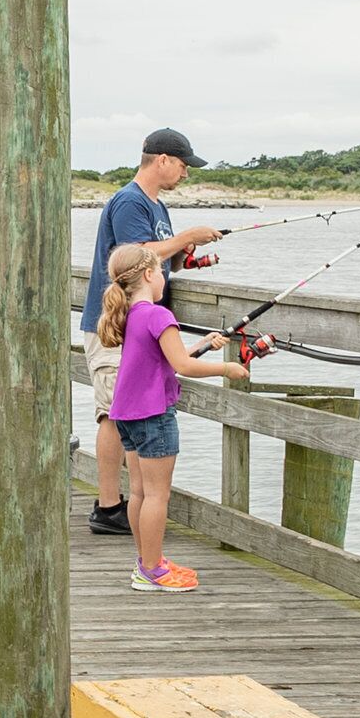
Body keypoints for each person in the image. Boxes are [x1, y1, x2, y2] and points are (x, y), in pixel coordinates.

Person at [84, 130, 226, 538]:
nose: (185, 173)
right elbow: (134, 258)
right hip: (117, 326)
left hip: (141, 325)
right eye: (183, 165)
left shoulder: (156, 205)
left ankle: (135, 501)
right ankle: (109, 506)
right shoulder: (130, 200)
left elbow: (158, 259)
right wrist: (185, 238)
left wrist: (184, 257)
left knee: (123, 410)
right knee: (113, 412)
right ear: (162, 160)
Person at [99, 240, 246, 591]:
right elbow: (181, 365)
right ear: (150, 274)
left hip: (128, 415)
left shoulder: (132, 315)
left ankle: (146, 562)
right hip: (154, 416)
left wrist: (200, 346)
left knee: (137, 493)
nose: (165, 277)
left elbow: (160, 358)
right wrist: (227, 368)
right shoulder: (159, 314)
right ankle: (153, 570)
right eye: (162, 271)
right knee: (157, 496)